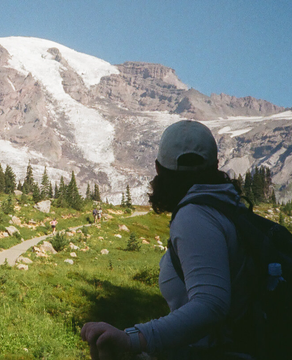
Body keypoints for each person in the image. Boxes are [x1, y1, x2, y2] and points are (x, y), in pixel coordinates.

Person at [82, 120, 253, 359]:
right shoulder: (230, 208)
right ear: (216, 166)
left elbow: (211, 305)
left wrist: (132, 339)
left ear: (158, 169)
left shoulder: (195, 214)